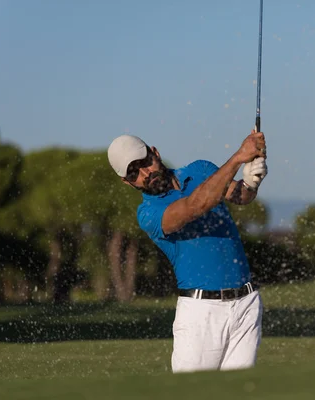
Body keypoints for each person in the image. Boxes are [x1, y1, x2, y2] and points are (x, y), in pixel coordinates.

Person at [107, 129, 268, 373]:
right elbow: (195, 206)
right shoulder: (149, 214)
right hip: (201, 314)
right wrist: (237, 158)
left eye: (144, 163)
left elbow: (241, 196)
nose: (145, 173)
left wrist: (252, 179)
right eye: (134, 173)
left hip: (247, 303)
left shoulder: (201, 169)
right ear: (127, 182)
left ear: (155, 153)